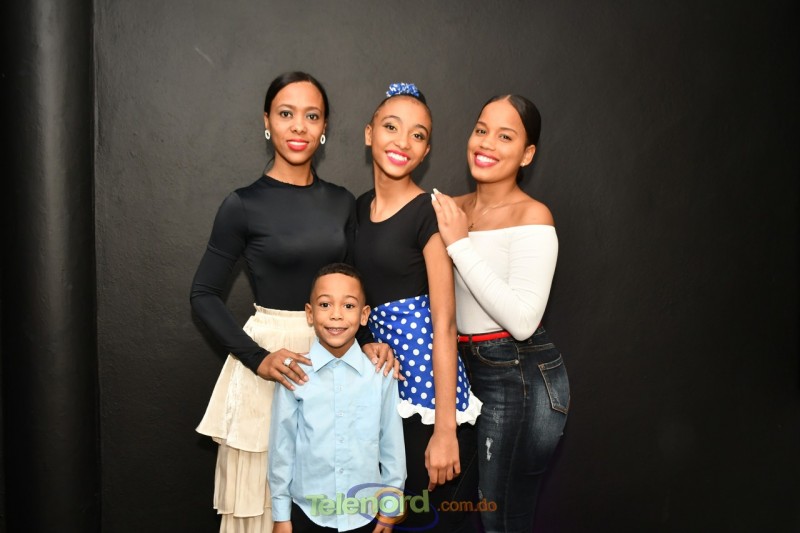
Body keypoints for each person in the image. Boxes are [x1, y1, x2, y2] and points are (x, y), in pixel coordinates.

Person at [191, 72, 395, 533]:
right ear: (267, 122)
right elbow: (202, 294)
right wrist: (258, 359)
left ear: (324, 128)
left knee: (331, 499)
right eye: (286, 114)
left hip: (336, 354)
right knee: (263, 507)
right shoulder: (242, 205)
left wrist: (368, 339)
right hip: (272, 364)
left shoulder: (342, 202)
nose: (299, 126)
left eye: (312, 116)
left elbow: (356, 285)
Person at [431, 94, 570, 532]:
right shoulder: (451, 208)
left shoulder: (533, 215)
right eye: (481, 130)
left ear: (527, 154)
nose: (487, 143)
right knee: (442, 511)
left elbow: (524, 321)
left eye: (505, 136)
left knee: (501, 520)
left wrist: (459, 244)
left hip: (518, 375)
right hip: (461, 371)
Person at [353, 83, 483, 532]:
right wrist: (366, 342)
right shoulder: (358, 209)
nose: (403, 142)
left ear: (426, 151)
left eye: (418, 135)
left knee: (421, 519)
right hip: (385, 387)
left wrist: (445, 430)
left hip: (429, 396)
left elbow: (444, 324)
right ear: (369, 133)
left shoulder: (429, 211)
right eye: (391, 127)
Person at [269, 263, 405, 533]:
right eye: (325, 304)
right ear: (310, 313)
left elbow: (392, 444)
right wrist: (281, 515)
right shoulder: (294, 373)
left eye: (349, 305)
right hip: (308, 515)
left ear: (364, 315)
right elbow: (281, 448)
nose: (336, 315)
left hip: (366, 515)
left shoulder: (380, 374)